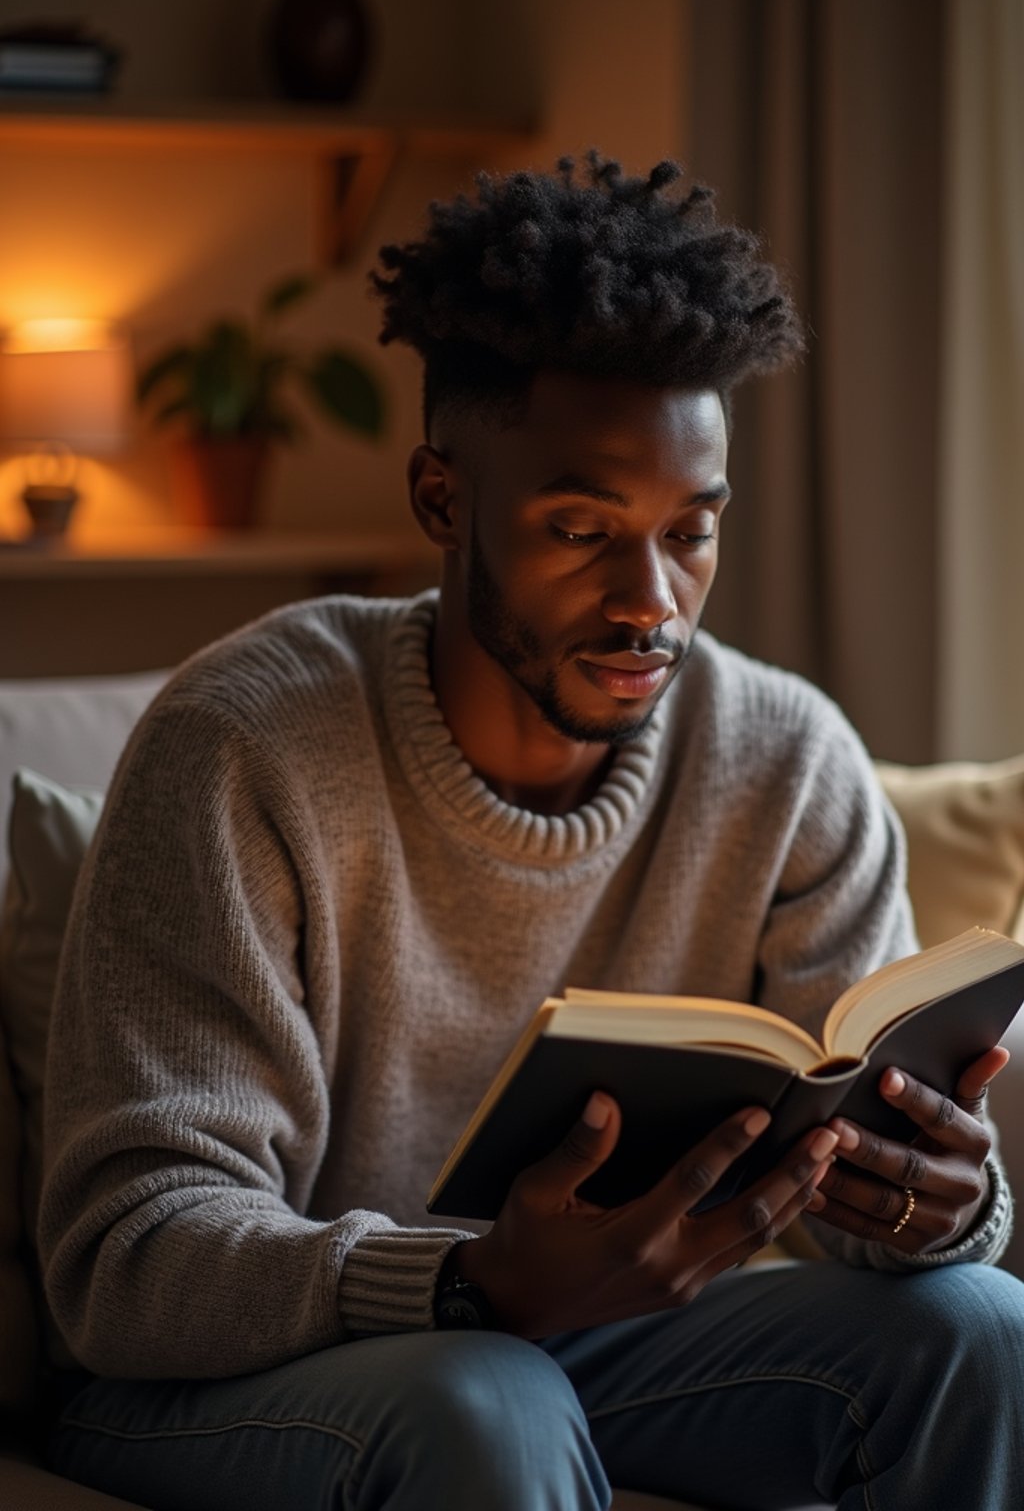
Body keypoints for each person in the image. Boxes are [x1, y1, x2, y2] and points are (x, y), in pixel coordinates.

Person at [40, 154, 1024, 1511]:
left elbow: (868, 1197)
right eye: (582, 529)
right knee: (488, 1394)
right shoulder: (245, 745)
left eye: (692, 534)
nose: (651, 603)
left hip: (582, 1344)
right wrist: (468, 1281)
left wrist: (937, 1201)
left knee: (984, 1332)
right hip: (226, 1383)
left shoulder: (788, 760)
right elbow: (128, 1265)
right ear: (444, 500)